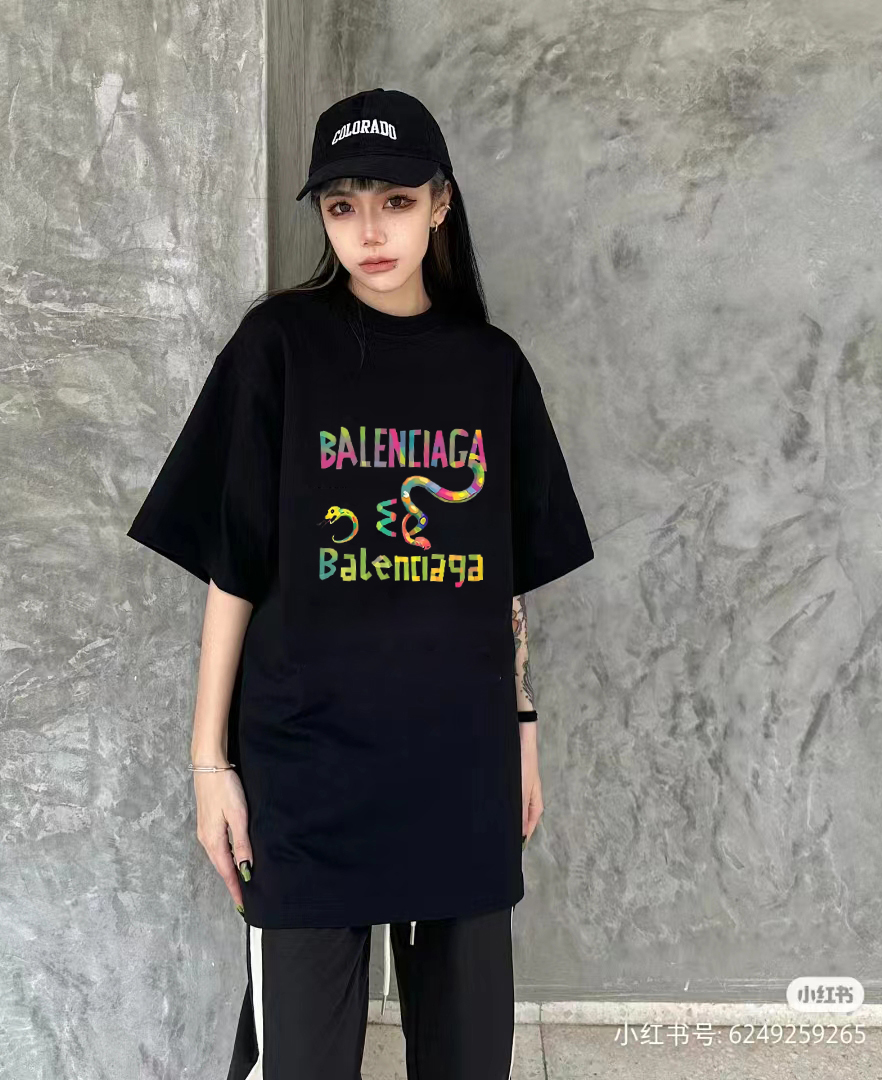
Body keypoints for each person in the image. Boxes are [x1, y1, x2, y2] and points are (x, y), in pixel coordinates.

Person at [126, 87, 595, 1080]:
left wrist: (521, 730)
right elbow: (233, 567)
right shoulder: (277, 349)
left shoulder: (492, 370)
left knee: (468, 1059)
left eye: (395, 201)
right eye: (343, 207)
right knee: (301, 1062)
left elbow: (502, 577)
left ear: (441, 204)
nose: (370, 232)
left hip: (458, 767)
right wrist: (209, 764)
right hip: (307, 774)